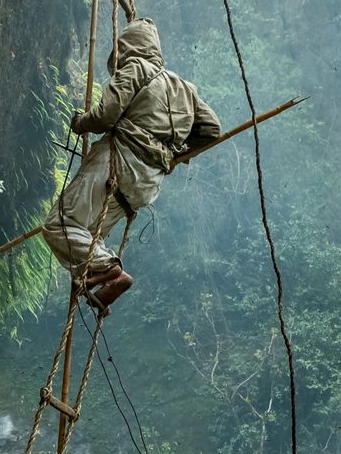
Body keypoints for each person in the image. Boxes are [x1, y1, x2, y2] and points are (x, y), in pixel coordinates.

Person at [42, 17, 220, 311]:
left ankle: (109, 268)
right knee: (86, 232)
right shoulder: (185, 88)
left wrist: (80, 123)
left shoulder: (136, 68)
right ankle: (106, 278)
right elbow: (212, 129)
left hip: (118, 160)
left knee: (58, 225)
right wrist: (175, 153)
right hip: (146, 185)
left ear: (128, 47)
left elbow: (106, 115)